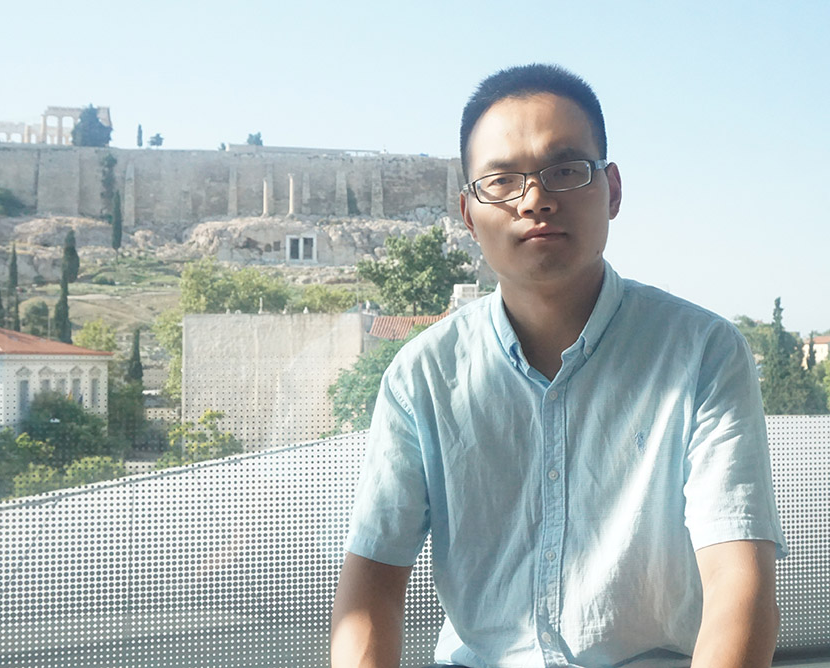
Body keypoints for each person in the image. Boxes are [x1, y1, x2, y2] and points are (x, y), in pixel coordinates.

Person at [331, 63, 787, 668]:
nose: (535, 200)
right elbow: (370, 589)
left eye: (566, 171)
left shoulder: (702, 352)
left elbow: (739, 584)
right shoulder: (422, 377)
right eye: (501, 181)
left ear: (613, 190)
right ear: (469, 214)